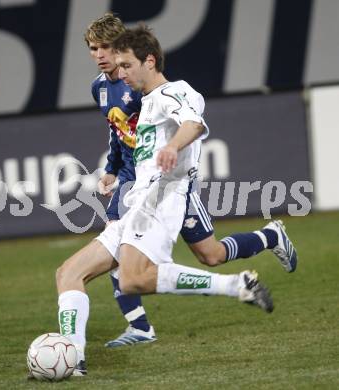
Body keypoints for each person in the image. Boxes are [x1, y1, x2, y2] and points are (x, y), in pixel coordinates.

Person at [57, 25, 277, 377]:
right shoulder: (144, 105)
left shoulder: (175, 92)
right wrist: (116, 171)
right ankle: (72, 358)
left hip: (161, 200)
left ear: (149, 61)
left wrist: (174, 147)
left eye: (127, 65)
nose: (120, 72)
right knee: (68, 273)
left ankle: (236, 284)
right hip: (136, 202)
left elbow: (194, 123)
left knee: (133, 279)